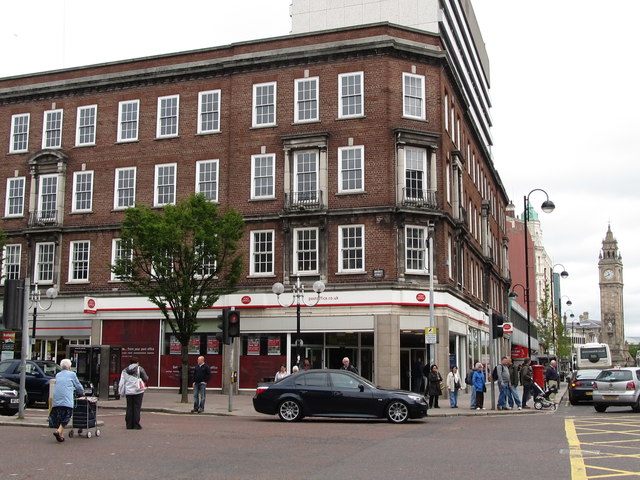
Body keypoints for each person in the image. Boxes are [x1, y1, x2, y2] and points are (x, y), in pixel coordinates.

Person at [49, 358, 84, 442]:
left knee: (60, 416)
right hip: (66, 399)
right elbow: (78, 386)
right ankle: (59, 431)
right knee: (67, 416)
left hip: (56, 399)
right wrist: (82, 392)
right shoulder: (72, 374)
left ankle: (61, 435)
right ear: (69, 366)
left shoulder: (58, 375)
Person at [119, 356, 149, 430]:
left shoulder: (124, 370)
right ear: (137, 362)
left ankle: (129, 424)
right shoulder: (140, 369)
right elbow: (146, 378)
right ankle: (136, 425)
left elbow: (122, 382)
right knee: (136, 407)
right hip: (138, 391)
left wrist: (121, 391)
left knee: (129, 407)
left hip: (128, 391)